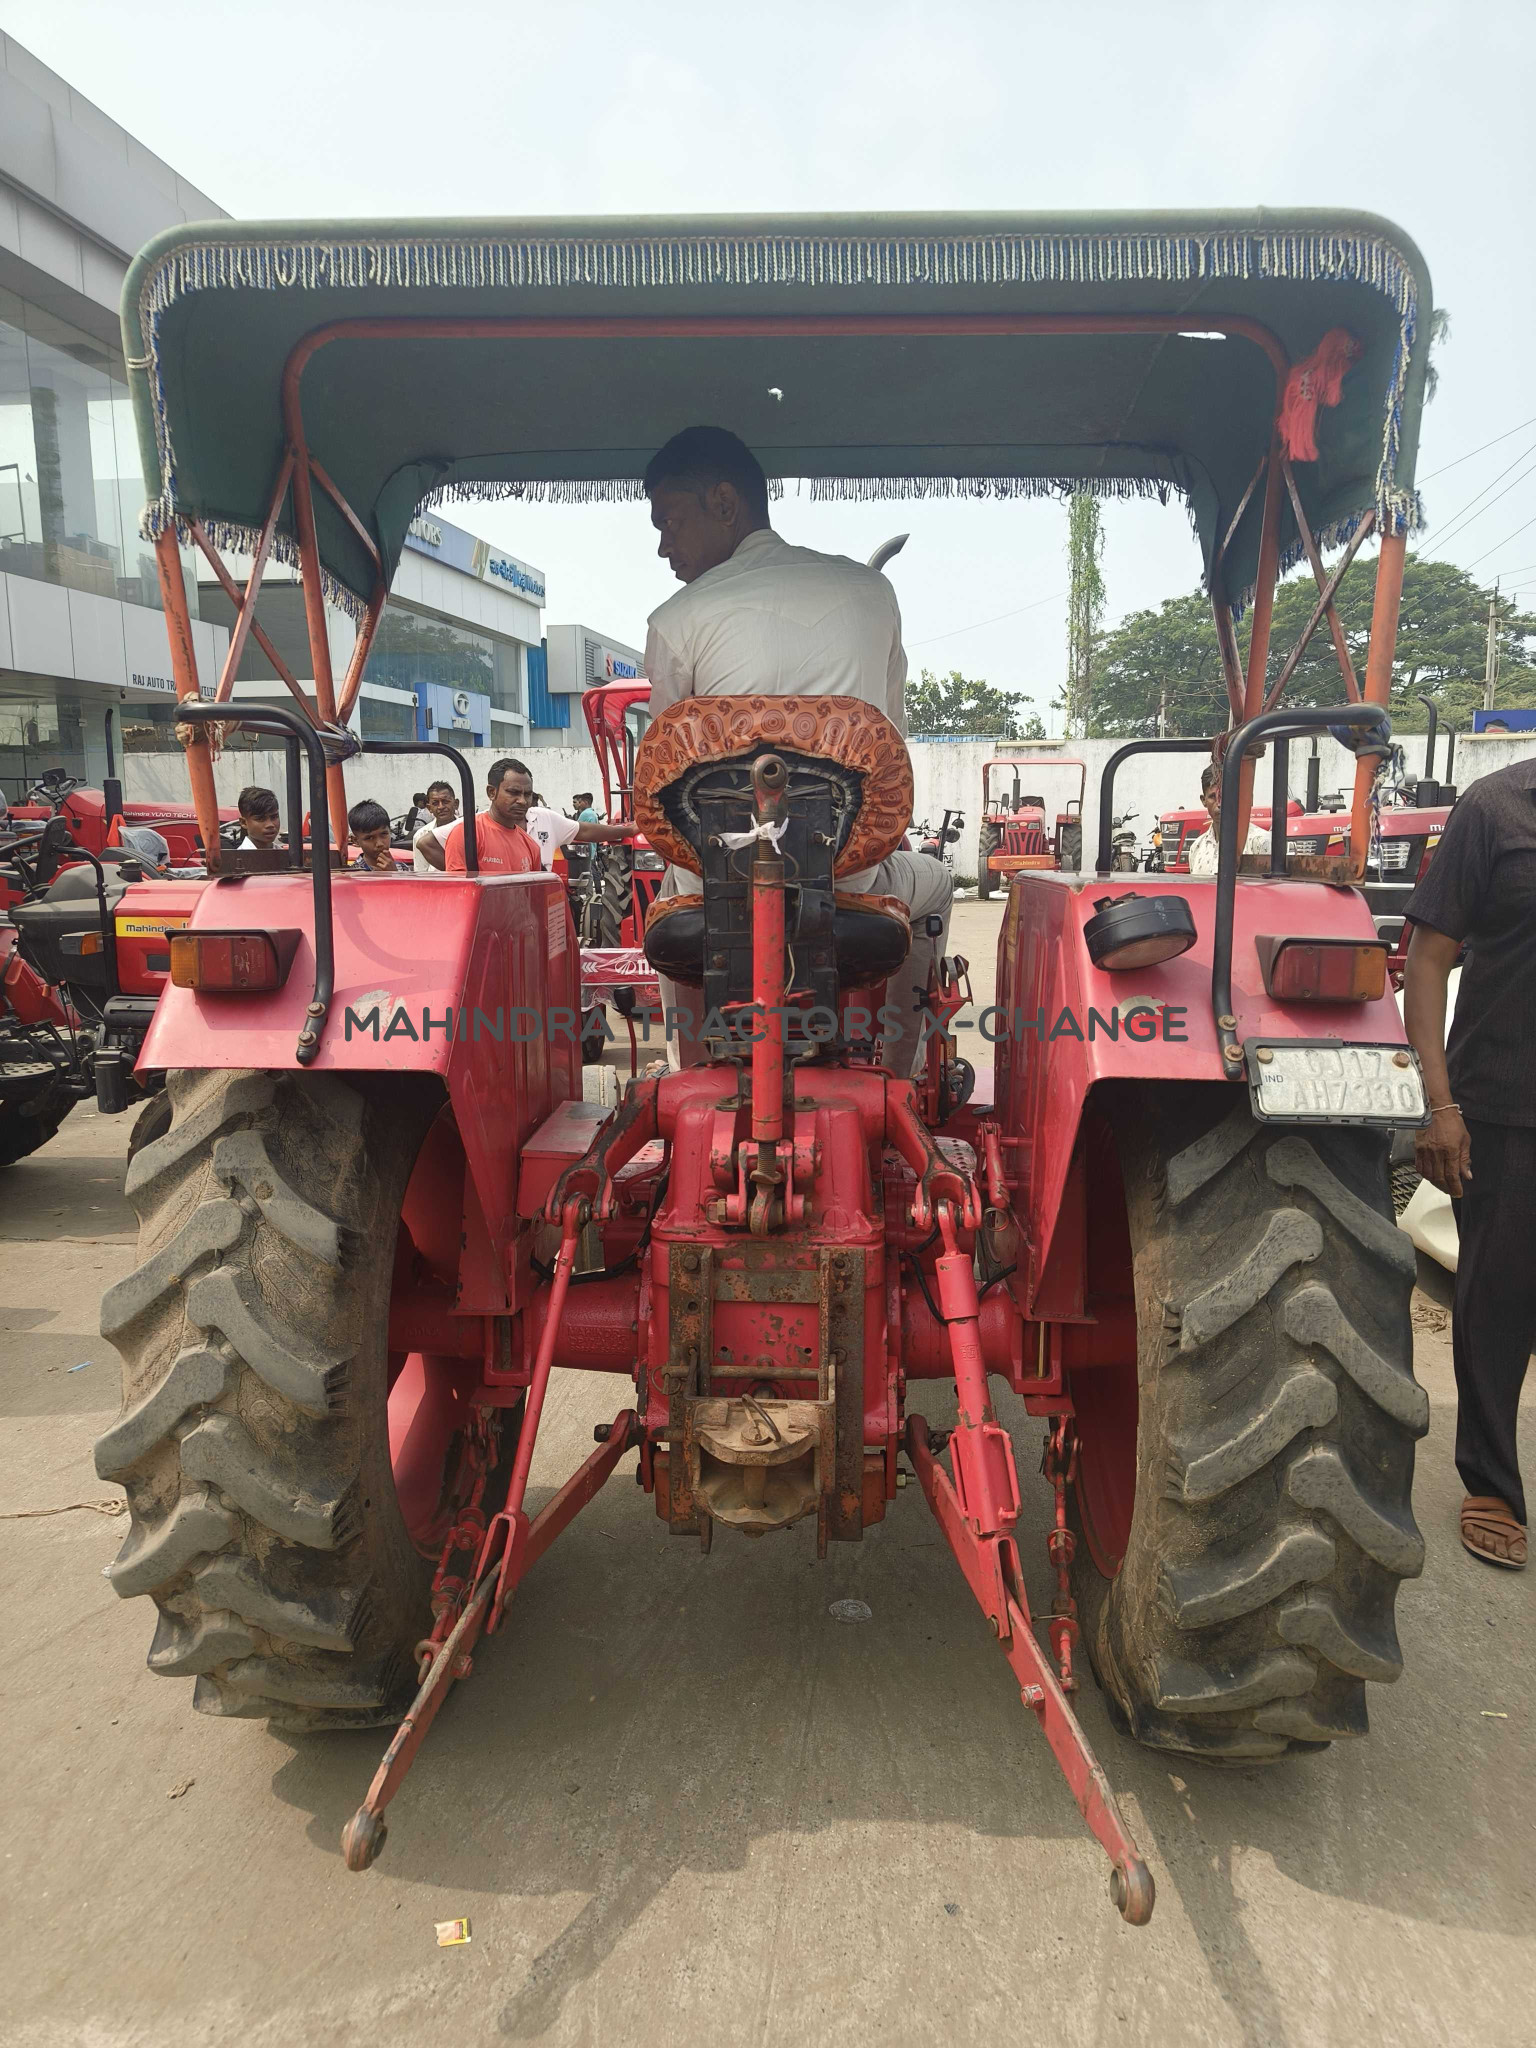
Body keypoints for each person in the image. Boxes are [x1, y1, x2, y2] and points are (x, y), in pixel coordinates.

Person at [640, 423, 950, 1072]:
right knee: (940, 882)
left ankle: (691, 1075)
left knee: (673, 882)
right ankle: (900, 1075)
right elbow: (886, 742)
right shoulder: (871, 593)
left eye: (670, 523)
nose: (664, 547)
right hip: (846, 880)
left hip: (720, 882)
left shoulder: (674, 619)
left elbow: (665, 776)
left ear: (724, 503)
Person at [1403, 751, 1536, 1570]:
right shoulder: (1497, 810)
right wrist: (1439, 1104)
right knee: (1499, 1295)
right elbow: (1426, 960)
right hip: (1506, 1099)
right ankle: (1490, 1479)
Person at [442, 759, 542, 873]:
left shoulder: (531, 846)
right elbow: (460, 888)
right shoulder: (467, 835)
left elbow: (534, 890)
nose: (522, 801)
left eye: (528, 794)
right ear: (491, 792)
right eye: (514, 792)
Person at [1186, 761, 1271, 876]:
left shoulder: (1260, 843)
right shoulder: (1196, 848)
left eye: (1225, 795)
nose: (1219, 804)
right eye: (1212, 797)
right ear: (1203, 800)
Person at [412, 780, 460, 873]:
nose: (441, 807)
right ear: (429, 808)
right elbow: (421, 874)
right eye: (435, 803)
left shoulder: (469, 830)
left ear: (456, 804)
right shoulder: (421, 836)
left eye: (445, 801)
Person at [348, 799, 397, 873]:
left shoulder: (403, 869)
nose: (379, 844)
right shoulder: (353, 875)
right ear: (356, 841)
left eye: (384, 834)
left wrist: (395, 874)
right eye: (369, 838)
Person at [236, 785, 283, 852]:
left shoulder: (287, 857)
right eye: (261, 819)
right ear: (244, 822)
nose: (270, 825)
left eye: (274, 817)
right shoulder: (237, 860)